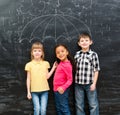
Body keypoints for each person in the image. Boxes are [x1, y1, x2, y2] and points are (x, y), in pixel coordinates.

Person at [25, 42, 56, 115]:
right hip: (34, 91)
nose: (37, 53)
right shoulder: (29, 65)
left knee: (43, 110)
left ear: (42, 53)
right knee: (37, 109)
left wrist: (53, 68)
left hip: (44, 90)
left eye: (39, 51)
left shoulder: (46, 63)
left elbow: (47, 76)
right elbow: (28, 79)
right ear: (32, 53)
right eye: (35, 51)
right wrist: (28, 92)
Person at [74, 32, 100, 115]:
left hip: (90, 84)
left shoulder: (93, 55)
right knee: (79, 105)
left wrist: (94, 83)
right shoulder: (77, 55)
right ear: (79, 43)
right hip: (78, 84)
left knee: (93, 104)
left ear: (90, 42)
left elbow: (96, 70)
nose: (84, 42)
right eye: (82, 41)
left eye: (86, 40)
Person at [53, 44, 75, 115]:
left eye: (62, 51)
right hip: (56, 90)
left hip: (62, 91)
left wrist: (63, 87)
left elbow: (70, 80)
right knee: (58, 108)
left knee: (64, 108)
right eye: (58, 52)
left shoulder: (67, 65)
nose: (60, 54)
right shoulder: (61, 63)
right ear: (56, 55)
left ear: (67, 52)